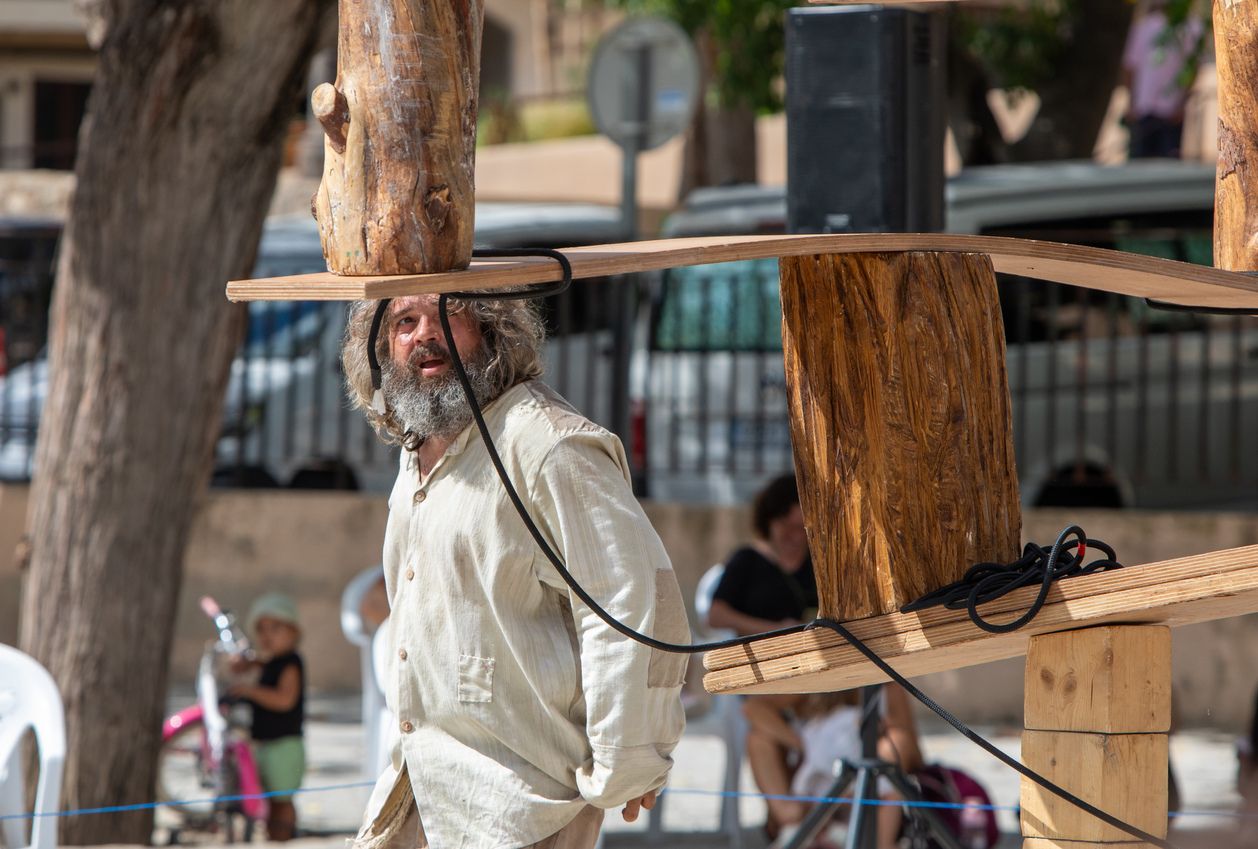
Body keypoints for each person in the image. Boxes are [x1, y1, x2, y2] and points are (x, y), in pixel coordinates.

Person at [339, 293, 689, 849]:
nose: (425, 335)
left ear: (490, 325)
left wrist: (629, 761)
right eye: (405, 322)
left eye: (446, 313)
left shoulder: (548, 444)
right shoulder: (421, 450)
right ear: (382, 346)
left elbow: (634, 602)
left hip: (522, 809)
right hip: (422, 793)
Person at [708, 474, 922, 848]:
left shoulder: (822, 565)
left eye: (800, 528)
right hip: (780, 672)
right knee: (762, 735)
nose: (793, 536)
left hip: (825, 668)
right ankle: (793, 819)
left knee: (887, 743)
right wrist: (775, 629)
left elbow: (906, 744)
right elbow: (715, 614)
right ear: (769, 521)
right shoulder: (748, 561)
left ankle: (826, 818)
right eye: (785, 525)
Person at [229, 591, 306, 842]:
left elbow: (285, 700)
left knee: (282, 802)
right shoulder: (273, 662)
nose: (267, 636)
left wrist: (251, 691)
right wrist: (248, 665)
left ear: (293, 631)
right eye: (261, 629)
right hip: (268, 744)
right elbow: (262, 665)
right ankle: (275, 837)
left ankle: (284, 838)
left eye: (275, 628)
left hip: (284, 746)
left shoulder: (291, 663)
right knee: (271, 802)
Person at [1122, 0, 1205, 159]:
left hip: (1171, 112)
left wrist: (1181, 104)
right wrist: (1131, 102)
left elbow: (1193, 69)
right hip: (1143, 110)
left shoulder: (1192, 28)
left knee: (1168, 164)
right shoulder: (1143, 27)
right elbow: (1130, 68)